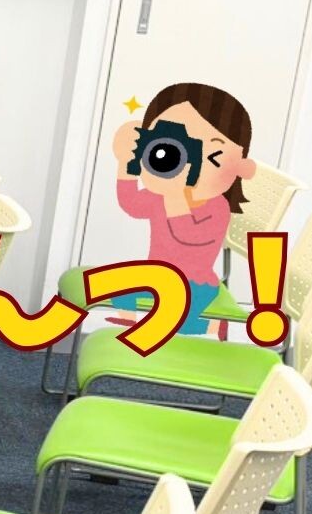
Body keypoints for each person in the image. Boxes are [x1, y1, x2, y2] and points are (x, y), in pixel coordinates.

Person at [105, 81, 257, 335]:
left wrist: (175, 195)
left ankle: (212, 325)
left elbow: (188, 234)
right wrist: (125, 163)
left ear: (241, 167)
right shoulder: (161, 195)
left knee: (180, 323)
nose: (188, 161)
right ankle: (132, 323)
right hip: (158, 275)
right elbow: (131, 204)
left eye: (211, 155)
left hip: (195, 284)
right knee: (116, 287)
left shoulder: (217, 207)